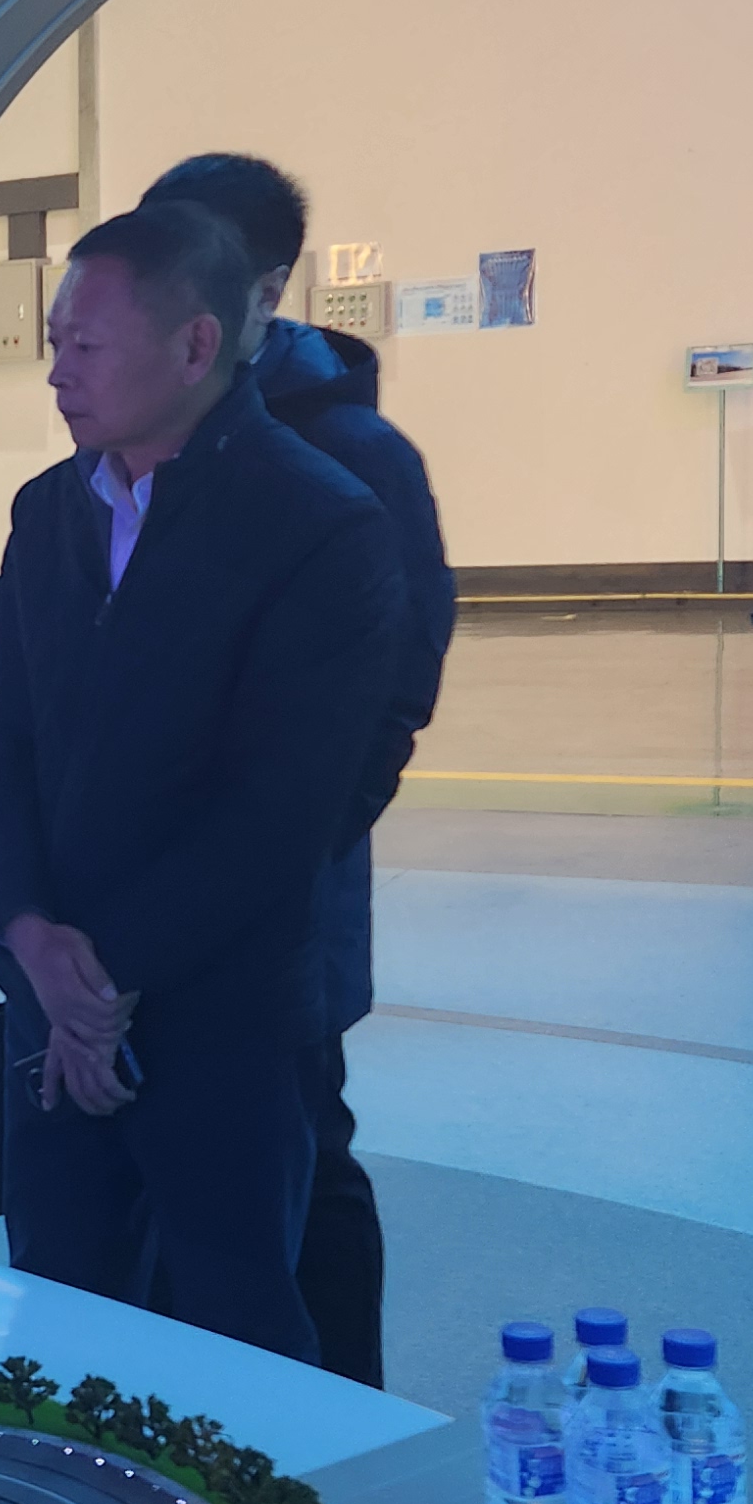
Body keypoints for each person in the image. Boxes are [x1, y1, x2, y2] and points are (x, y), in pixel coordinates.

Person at [0, 200, 404, 1363]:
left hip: (221, 1019)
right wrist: (28, 938)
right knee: (58, 1316)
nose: (56, 372)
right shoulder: (48, 512)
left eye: (85, 345)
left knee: (234, 1332)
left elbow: (279, 813)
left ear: (197, 344)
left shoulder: (317, 526)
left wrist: (101, 985)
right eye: (54, 341)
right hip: (49, 1005)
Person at [145, 151, 451, 1388]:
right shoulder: (138, 439)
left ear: (268, 288)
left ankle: (341, 1425)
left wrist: (269, 858)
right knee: (173, 1167)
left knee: (303, 1156)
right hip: (145, 900)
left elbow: (391, 698)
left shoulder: (357, 457)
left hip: (284, 907)